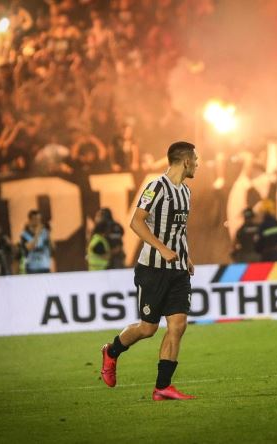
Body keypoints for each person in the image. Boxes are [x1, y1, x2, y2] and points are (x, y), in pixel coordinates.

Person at [100, 141, 198, 401]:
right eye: (195, 160)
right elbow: (136, 222)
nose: (197, 165)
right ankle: (111, 351)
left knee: (178, 325)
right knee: (148, 328)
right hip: (153, 269)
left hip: (178, 270)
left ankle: (162, 387)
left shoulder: (186, 192)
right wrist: (162, 249)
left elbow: (179, 230)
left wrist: (186, 256)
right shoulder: (156, 187)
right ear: (186, 161)